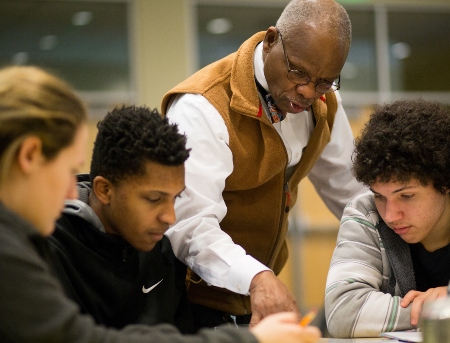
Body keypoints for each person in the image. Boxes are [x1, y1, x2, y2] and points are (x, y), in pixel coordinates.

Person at [0, 65, 323, 343]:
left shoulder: (163, 252)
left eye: (176, 198)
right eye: (68, 171)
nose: (72, 192)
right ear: (29, 156)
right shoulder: (17, 248)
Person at [160, 0, 368, 329]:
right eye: (297, 72)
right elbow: (189, 226)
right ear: (271, 40)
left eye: (325, 81)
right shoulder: (202, 107)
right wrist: (256, 277)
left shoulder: (322, 101)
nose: (307, 91)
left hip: (255, 295)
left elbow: (348, 189)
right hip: (191, 301)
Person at [48, 105, 193, 332]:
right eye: (154, 198)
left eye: (176, 198)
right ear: (105, 190)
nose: (170, 217)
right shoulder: (48, 249)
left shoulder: (163, 252)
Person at [324, 99, 450, 338]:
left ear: (445, 183)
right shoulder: (366, 212)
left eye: (407, 196)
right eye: (380, 196)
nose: (391, 216)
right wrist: (437, 310)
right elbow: (343, 312)